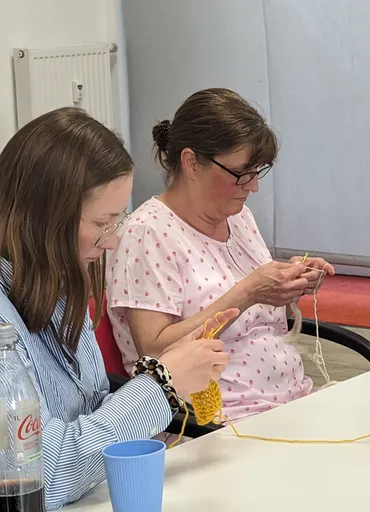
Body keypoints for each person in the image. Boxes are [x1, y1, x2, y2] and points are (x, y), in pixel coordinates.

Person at [0, 107, 232, 510]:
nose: (111, 241)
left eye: (117, 220)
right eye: (102, 222)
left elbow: (91, 404)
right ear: (43, 219)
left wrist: (157, 392)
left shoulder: (57, 282)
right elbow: (42, 476)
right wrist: (161, 385)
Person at [106, 88, 334, 420]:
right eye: (241, 173)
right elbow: (155, 354)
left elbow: (252, 305)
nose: (253, 186)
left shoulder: (238, 217)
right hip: (215, 422)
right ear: (191, 162)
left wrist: (290, 280)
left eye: (258, 172)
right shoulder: (146, 233)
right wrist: (249, 291)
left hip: (287, 400)